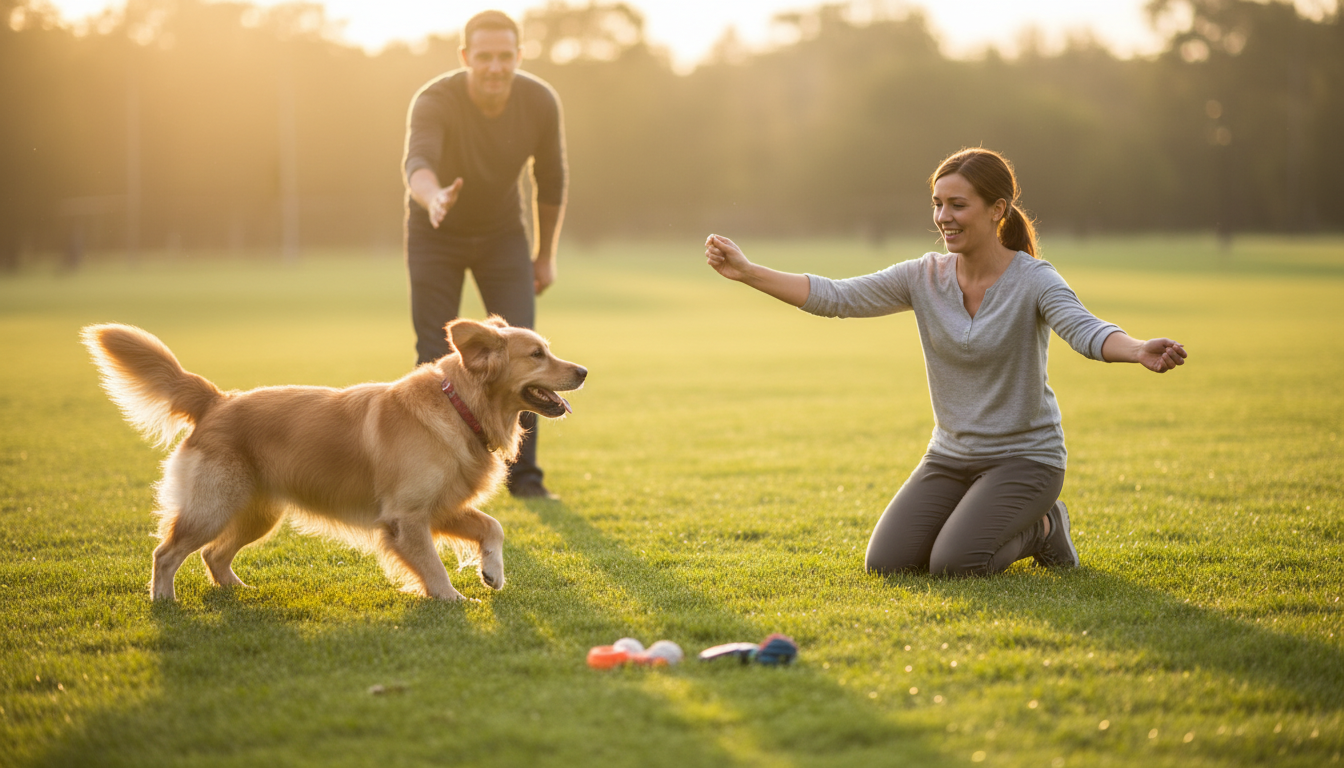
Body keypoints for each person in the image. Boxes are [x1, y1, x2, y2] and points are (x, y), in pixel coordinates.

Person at [703, 148, 1187, 576]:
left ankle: (1043, 527)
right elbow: (836, 296)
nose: (943, 217)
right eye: (937, 203)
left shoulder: (1035, 280)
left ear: (998, 209)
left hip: (1025, 459)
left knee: (956, 564)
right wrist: (748, 273)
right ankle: (1005, 521)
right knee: (888, 564)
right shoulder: (922, 276)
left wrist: (1137, 348)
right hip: (950, 456)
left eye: (958, 205)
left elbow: (1085, 331)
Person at [402, 10, 568, 499]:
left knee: (527, 358)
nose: (495, 67)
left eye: (505, 57)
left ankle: (527, 479)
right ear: (465, 57)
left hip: (502, 235)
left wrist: (544, 255)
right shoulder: (434, 99)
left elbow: (552, 179)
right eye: (484, 57)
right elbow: (417, 162)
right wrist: (432, 197)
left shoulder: (539, 100)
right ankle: (430, 470)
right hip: (435, 233)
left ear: (518, 56)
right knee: (434, 353)